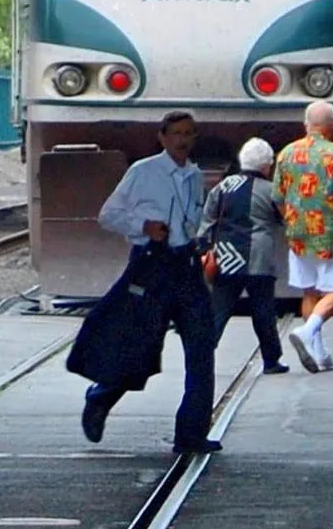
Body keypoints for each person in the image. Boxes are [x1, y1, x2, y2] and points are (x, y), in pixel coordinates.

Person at [72, 111, 222, 455]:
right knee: (139, 346)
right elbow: (108, 215)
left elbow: (194, 221)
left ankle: (192, 433)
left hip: (186, 266)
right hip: (151, 266)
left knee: (202, 347)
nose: (183, 140)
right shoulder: (143, 172)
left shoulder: (195, 177)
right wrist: (144, 225)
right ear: (163, 137)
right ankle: (101, 396)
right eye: (177, 133)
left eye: (189, 133)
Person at [271, 100, 333, 373]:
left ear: (306, 124)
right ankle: (307, 332)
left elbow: (278, 197)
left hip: (298, 234)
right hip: (329, 234)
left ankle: (319, 353)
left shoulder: (286, 154)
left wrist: (291, 221)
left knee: (310, 291)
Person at [197, 137, 289, 376]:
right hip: (259, 259)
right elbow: (284, 219)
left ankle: (202, 355)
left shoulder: (223, 187)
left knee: (218, 310)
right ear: (267, 165)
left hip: (227, 257)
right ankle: (271, 361)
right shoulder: (271, 191)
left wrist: (203, 247)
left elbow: (208, 221)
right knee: (263, 311)